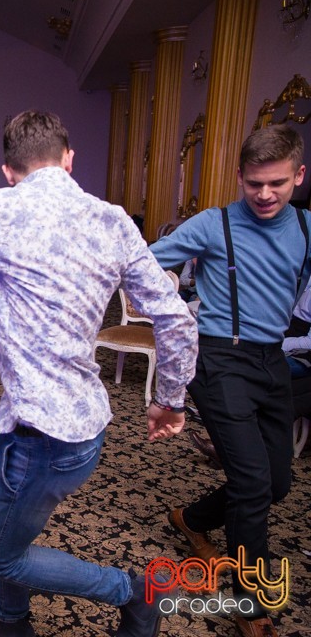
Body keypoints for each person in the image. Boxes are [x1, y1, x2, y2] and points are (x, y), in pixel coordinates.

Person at [0, 110, 197, 637]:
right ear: (69, 159)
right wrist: (169, 399)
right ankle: (10, 623)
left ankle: (135, 592)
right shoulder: (114, 220)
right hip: (84, 427)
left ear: (8, 170)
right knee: (15, 529)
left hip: (40, 439)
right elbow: (176, 318)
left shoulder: (1, 209)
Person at [149, 124, 307, 637]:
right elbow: (141, 265)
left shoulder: (306, 228)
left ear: (299, 176)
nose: (265, 194)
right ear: (240, 177)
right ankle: (249, 604)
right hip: (218, 358)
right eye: (255, 183)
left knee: (276, 483)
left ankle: (192, 519)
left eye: (277, 183)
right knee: (252, 482)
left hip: (271, 361)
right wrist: (170, 309)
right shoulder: (212, 224)